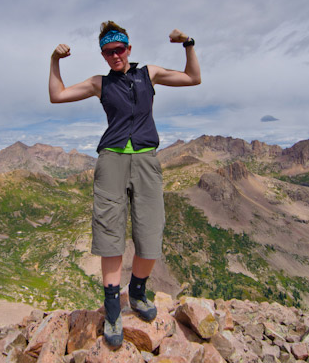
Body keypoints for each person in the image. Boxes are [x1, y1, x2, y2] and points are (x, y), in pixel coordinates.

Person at [49, 21, 201, 347]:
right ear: (103, 54)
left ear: (129, 49)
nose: (115, 55)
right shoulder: (99, 83)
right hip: (111, 161)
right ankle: (113, 308)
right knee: (109, 233)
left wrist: (188, 42)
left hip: (146, 159)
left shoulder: (150, 74)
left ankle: (137, 291)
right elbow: (56, 95)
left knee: (151, 231)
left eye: (120, 49)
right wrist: (54, 60)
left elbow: (193, 78)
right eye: (108, 51)